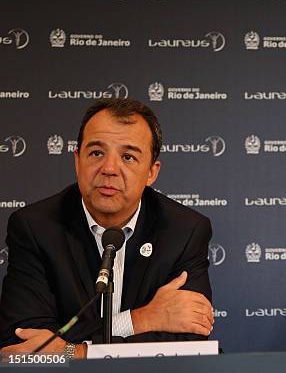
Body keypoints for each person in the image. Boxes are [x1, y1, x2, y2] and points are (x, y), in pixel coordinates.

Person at [0, 98, 214, 358]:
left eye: (128, 157)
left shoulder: (184, 230)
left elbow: (188, 340)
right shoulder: (35, 227)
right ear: (77, 161)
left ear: (151, 172)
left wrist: (72, 351)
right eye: (97, 153)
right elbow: (25, 342)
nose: (110, 169)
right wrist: (140, 320)